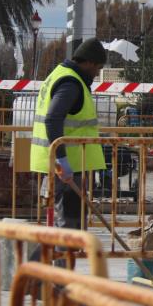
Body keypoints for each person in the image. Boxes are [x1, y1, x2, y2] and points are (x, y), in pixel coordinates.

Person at [29, 38, 107, 250]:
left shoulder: (60, 74)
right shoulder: (71, 83)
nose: (97, 74)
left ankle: (43, 275)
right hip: (67, 166)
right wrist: (62, 160)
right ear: (89, 62)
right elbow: (52, 119)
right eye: (98, 68)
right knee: (69, 229)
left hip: (64, 164)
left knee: (65, 226)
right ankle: (62, 280)